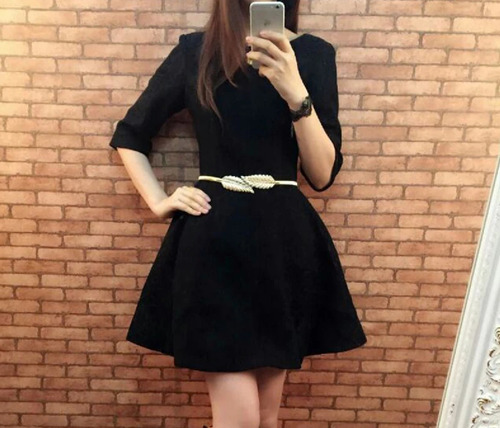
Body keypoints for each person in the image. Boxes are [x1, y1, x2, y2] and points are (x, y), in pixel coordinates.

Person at [109, 0, 367, 426]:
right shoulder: (197, 52)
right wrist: (159, 201)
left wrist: (295, 91)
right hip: (216, 244)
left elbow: (322, 174)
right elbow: (130, 134)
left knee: (265, 419)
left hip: (283, 246)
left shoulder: (314, 55)